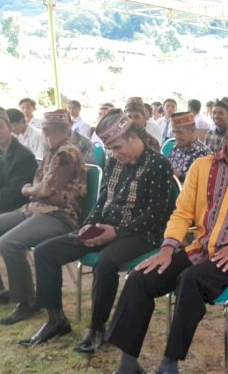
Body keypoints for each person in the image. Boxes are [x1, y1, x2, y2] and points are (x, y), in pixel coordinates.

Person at [84, 106, 228, 374]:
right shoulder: (203, 167)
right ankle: (128, 367)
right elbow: (182, 213)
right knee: (141, 276)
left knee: (190, 279)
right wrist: (168, 248)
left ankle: (169, 366)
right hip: (201, 250)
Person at [20, 110, 173, 350]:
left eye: (117, 147)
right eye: (110, 148)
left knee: (105, 263)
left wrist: (117, 232)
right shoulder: (114, 162)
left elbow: (157, 215)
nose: (114, 153)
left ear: (133, 137)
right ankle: (56, 320)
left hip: (142, 234)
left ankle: (97, 327)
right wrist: (89, 224)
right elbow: (102, 201)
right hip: (104, 227)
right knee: (45, 252)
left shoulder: (159, 164)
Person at [0, 110, 86, 320]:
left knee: (8, 243)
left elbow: (42, 189)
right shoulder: (52, 151)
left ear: (48, 130)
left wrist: (28, 190)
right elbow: (38, 186)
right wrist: (32, 189)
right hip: (34, 209)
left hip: (58, 216)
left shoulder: (66, 153)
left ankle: (26, 301)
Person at [167, 112, 212, 181]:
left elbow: (204, 183)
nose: (176, 136)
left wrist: (180, 176)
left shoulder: (205, 155)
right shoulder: (175, 149)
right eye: (174, 132)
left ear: (192, 130)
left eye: (180, 133)